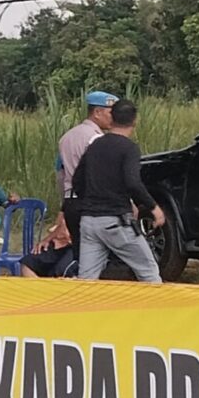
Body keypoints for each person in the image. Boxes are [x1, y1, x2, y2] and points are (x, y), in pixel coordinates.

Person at [67, 99, 164, 283]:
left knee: (86, 278)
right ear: (135, 121)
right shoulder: (129, 148)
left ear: (111, 118)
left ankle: (80, 302)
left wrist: (92, 200)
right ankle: (158, 302)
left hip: (89, 222)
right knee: (148, 271)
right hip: (116, 221)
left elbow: (77, 181)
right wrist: (154, 208)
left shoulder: (94, 146)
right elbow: (133, 182)